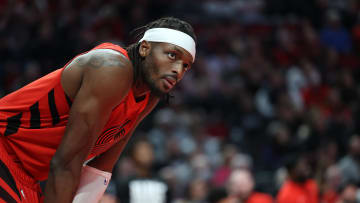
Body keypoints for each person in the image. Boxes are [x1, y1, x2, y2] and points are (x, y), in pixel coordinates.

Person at [0, 17, 196, 203]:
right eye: (172, 55)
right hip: (5, 149)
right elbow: (66, 163)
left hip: (27, 177)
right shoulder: (111, 68)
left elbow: (100, 169)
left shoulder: (149, 96)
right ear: (145, 48)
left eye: (185, 65)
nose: (178, 70)